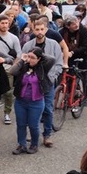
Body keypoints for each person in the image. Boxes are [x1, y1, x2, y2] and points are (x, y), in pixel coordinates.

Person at [22, 16, 63, 147]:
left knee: (48, 109)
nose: (39, 31)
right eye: (37, 29)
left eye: (42, 29)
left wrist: (50, 78)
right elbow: (23, 62)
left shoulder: (54, 44)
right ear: (33, 30)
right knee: (31, 108)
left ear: (46, 29)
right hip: (31, 83)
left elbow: (58, 63)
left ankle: (47, 135)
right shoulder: (28, 45)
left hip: (47, 83)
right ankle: (32, 133)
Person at [10, 47, 54, 154]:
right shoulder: (24, 66)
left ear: (39, 59)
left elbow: (52, 59)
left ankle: (34, 144)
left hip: (36, 102)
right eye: (29, 57)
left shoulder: (43, 67)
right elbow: (12, 71)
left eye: (33, 58)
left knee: (33, 125)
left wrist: (39, 53)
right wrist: (22, 59)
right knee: (21, 124)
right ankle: (22, 144)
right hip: (21, 101)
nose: (30, 60)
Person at [0, 15, 21, 124]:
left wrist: (14, 67)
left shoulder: (14, 38)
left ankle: (7, 113)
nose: (4, 25)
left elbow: (19, 54)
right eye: (2, 23)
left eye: (6, 23)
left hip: (8, 69)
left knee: (8, 92)